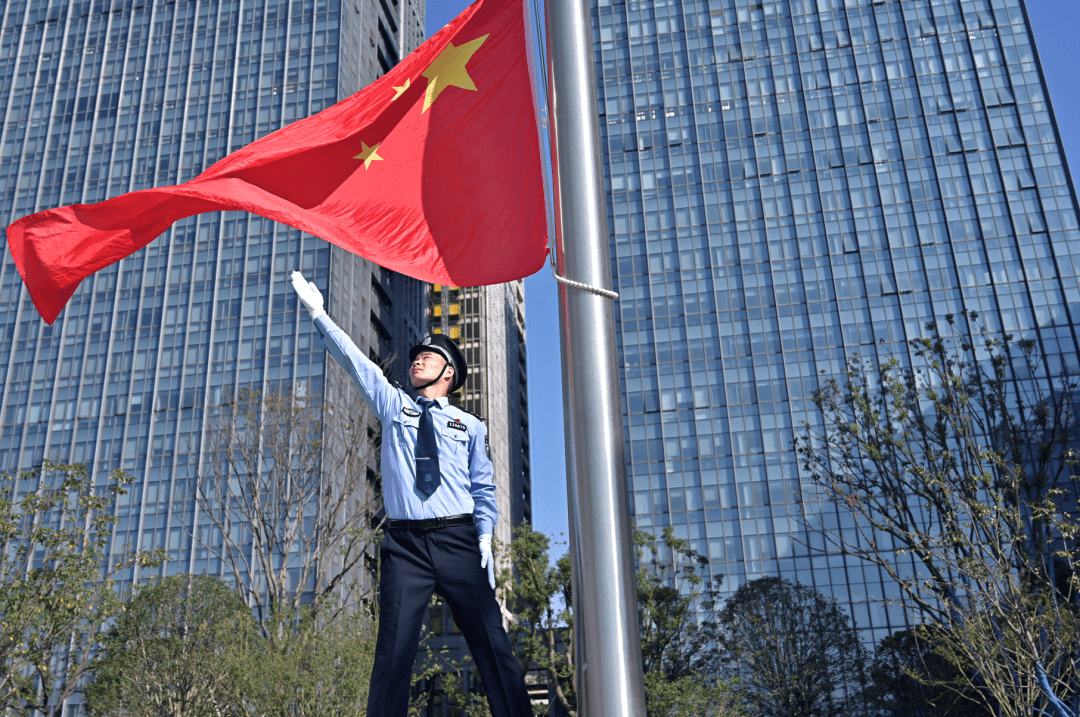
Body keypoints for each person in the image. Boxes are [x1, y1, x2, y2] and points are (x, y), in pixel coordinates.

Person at [290, 271, 533, 717]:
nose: (416, 360)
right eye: (416, 355)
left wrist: (484, 537)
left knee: (491, 643)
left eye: (427, 357)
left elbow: (484, 487)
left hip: (458, 541)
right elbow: (357, 365)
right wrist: (319, 314)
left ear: (448, 372)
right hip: (404, 546)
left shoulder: (470, 427)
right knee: (393, 652)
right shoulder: (394, 403)